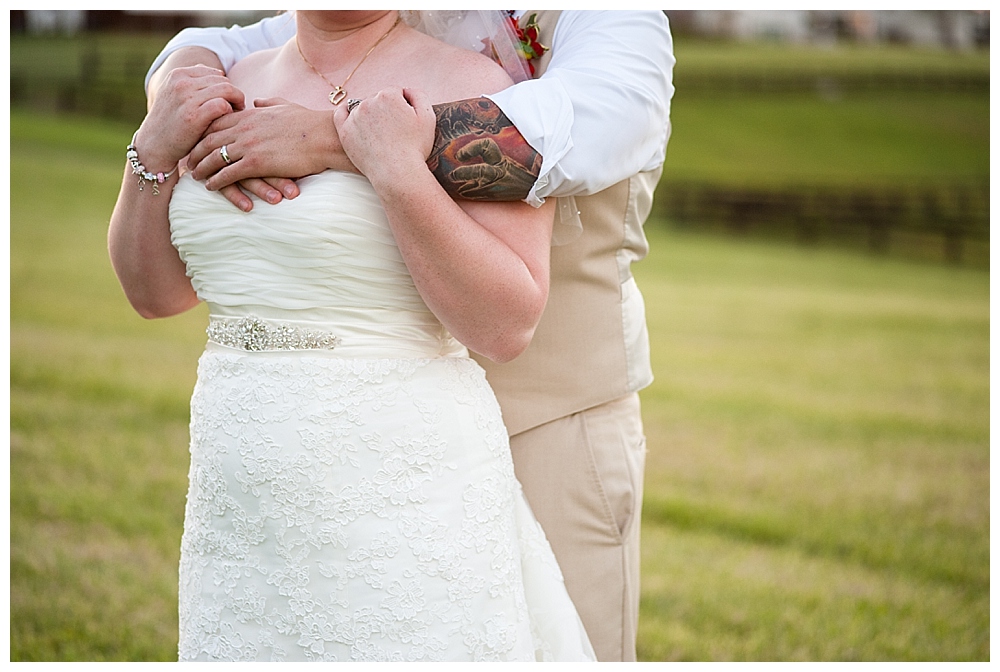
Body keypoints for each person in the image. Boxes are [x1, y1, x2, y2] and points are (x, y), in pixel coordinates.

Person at [146, 10, 675, 661]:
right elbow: (214, 49)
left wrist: (331, 136)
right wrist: (181, 100)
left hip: (553, 409)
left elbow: (596, 123)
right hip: (331, 427)